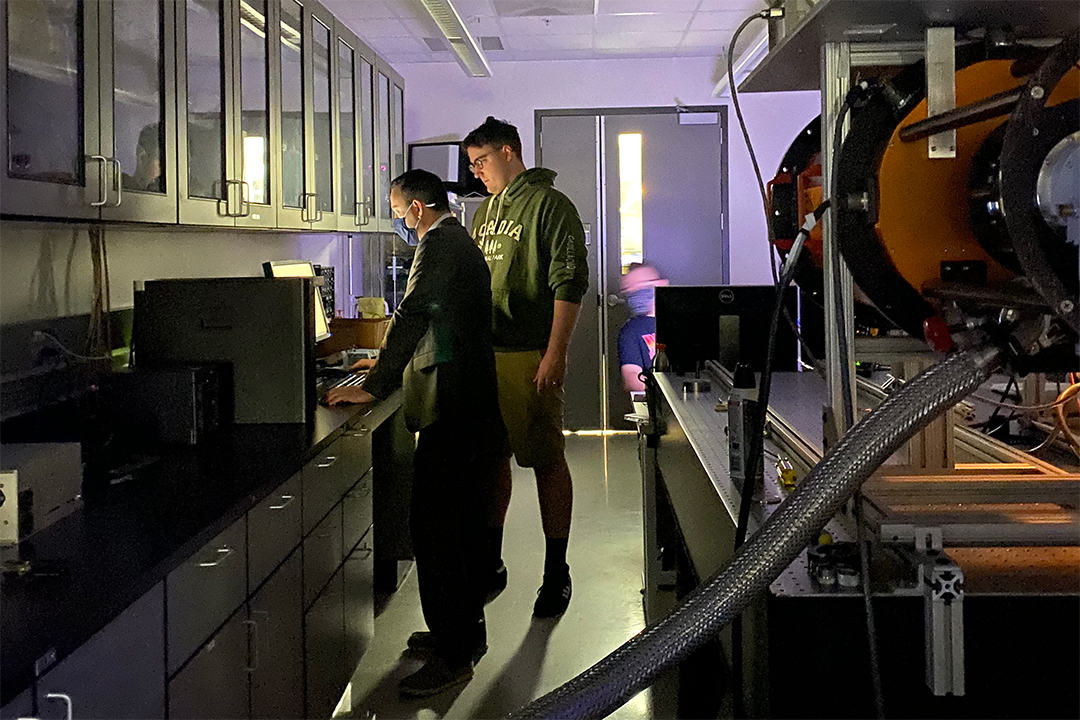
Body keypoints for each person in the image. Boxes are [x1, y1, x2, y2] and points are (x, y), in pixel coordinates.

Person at [326, 169, 504, 698]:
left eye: (399, 211)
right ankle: (461, 635)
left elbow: (412, 313)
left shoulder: (440, 244)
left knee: (436, 528)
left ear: (419, 208)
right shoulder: (454, 241)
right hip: (464, 399)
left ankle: (453, 656)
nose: (399, 220)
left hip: (455, 404)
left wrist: (375, 385)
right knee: (456, 525)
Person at [463, 116, 589, 618]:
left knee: (544, 459)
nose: (477, 172)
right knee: (492, 458)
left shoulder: (550, 206)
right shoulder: (484, 213)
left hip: (528, 353)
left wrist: (555, 352)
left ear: (509, 152)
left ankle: (556, 572)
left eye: (482, 161)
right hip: (485, 356)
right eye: (472, 164)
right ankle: (491, 561)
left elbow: (569, 281)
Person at [617, 263, 668, 394]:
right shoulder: (630, 331)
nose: (636, 291)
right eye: (630, 289)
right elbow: (631, 377)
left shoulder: (682, 320)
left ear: (662, 283)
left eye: (642, 285)